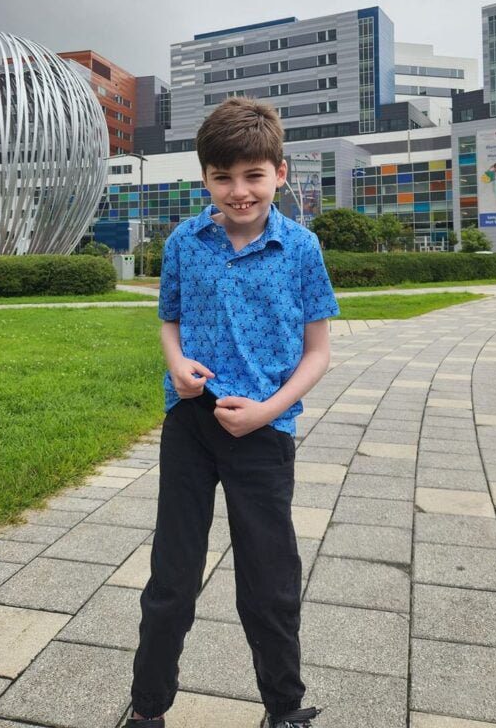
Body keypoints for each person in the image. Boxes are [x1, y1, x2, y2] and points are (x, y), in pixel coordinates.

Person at [125, 97, 339, 728]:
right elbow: (169, 319)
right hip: (191, 425)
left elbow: (318, 352)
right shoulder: (184, 243)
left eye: (253, 175)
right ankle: (147, 709)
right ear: (206, 179)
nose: (239, 191)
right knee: (172, 576)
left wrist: (270, 409)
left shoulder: (300, 248)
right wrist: (175, 364)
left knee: (269, 578)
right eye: (224, 177)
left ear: (279, 172)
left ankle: (284, 708)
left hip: (263, 430)